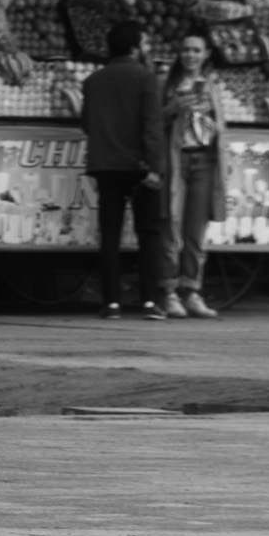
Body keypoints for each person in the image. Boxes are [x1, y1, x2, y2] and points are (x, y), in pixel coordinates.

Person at [80, 17, 169, 319]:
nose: (146, 48)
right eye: (144, 43)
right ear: (134, 47)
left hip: (105, 166)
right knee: (149, 234)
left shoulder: (93, 81)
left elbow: (87, 124)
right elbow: (152, 128)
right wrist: (156, 168)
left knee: (109, 234)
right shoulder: (147, 79)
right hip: (140, 166)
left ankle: (112, 303)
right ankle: (149, 301)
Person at [161, 31, 227, 319]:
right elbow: (153, 121)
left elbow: (220, 127)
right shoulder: (166, 83)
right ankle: (168, 292)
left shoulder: (212, 86)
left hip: (204, 161)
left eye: (196, 50)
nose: (190, 55)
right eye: (186, 50)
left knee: (196, 233)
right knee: (171, 229)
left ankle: (192, 291)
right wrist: (172, 109)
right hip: (176, 162)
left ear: (206, 54)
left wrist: (208, 120)